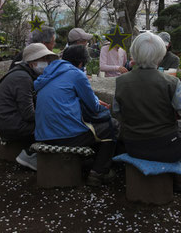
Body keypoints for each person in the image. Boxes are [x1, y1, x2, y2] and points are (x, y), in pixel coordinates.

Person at [113, 32, 181, 191]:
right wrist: (174, 113)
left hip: (133, 145)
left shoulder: (121, 82)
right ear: (161, 55)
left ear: (134, 54)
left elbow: (117, 112)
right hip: (168, 148)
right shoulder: (170, 82)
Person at [34, 44, 119, 187]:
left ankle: (89, 163)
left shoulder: (49, 72)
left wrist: (95, 101)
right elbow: (93, 107)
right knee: (113, 125)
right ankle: (98, 173)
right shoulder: (76, 74)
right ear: (81, 63)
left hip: (43, 134)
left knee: (96, 127)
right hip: (65, 136)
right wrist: (99, 105)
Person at [0, 43, 59, 170]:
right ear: (32, 62)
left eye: (47, 59)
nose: (46, 62)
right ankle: (30, 155)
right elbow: (29, 114)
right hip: (12, 126)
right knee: (55, 126)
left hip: (9, 121)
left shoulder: (22, 73)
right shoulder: (22, 78)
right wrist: (53, 115)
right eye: (44, 59)